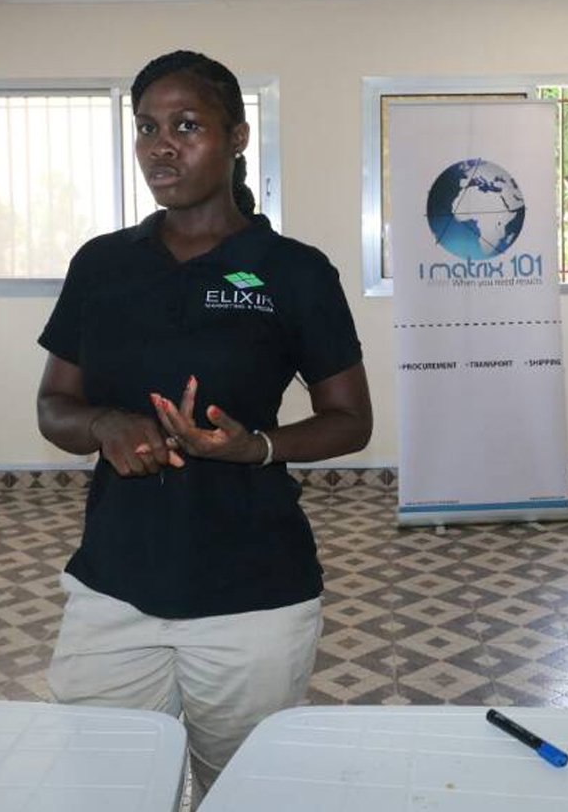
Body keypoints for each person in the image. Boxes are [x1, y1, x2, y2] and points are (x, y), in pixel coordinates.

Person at [36, 49, 372, 806]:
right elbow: (53, 404)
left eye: (187, 125)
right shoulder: (102, 264)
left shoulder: (293, 271)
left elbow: (351, 421)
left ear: (238, 137)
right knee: (107, 786)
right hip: (115, 587)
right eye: (148, 127)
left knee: (241, 791)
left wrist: (256, 446)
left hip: (254, 595)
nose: (162, 145)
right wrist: (104, 425)